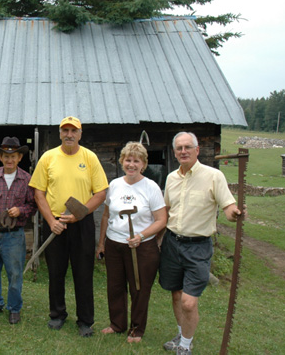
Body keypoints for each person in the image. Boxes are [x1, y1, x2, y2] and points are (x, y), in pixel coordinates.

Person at [160, 132, 242, 355]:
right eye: (179, 148)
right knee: (176, 294)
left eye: (188, 147)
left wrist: (233, 213)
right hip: (172, 243)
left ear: (197, 150)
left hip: (198, 246)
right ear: (174, 152)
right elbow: (167, 210)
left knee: (188, 302)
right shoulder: (171, 178)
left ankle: (185, 346)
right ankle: (181, 334)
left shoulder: (213, 176)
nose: (183, 151)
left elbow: (228, 206)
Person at [29, 116, 109, 337]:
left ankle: (85, 320)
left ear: (80, 134)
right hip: (55, 222)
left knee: (83, 273)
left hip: (81, 223)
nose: (69, 135)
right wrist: (51, 221)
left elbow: (101, 193)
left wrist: (79, 214)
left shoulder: (90, 158)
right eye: (65, 130)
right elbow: (38, 193)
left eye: (74, 131)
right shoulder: (48, 157)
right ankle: (57, 314)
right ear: (59, 133)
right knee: (55, 272)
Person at [96, 142, 167, 343]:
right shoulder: (115, 185)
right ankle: (117, 324)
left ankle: (137, 329)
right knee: (115, 286)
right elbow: (106, 216)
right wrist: (101, 243)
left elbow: (162, 219)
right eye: (128, 160)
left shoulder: (151, 187)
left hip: (142, 247)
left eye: (137, 161)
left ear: (143, 164)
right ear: (122, 161)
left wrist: (142, 236)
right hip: (115, 243)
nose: (132, 164)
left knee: (139, 288)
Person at [0, 137, 37, 324]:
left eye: (13, 156)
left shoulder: (27, 179)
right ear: (1, 157)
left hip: (14, 235)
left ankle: (14, 309)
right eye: (5, 156)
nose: (9, 159)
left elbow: (33, 205)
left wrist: (21, 210)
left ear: (20, 157)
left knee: (14, 273)